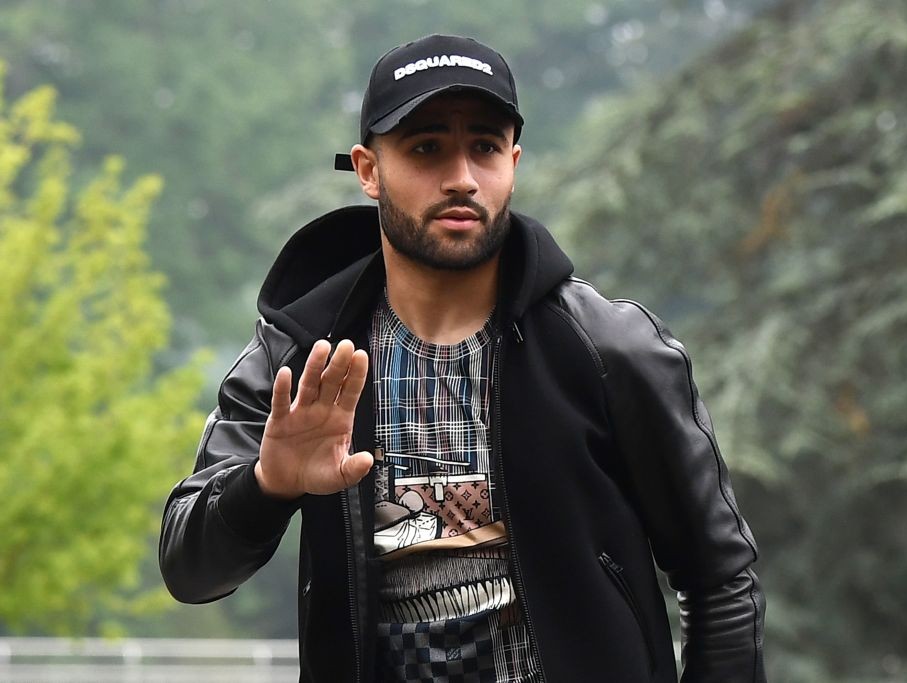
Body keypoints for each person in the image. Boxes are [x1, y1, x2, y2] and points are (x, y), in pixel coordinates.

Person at [159, 34, 766, 683]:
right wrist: (267, 485)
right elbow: (190, 568)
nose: (461, 177)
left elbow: (721, 580)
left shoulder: (607, 348)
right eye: (426, 148)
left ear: (514, 160)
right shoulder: (301, 355)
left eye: (484, 146)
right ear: (368, 169)